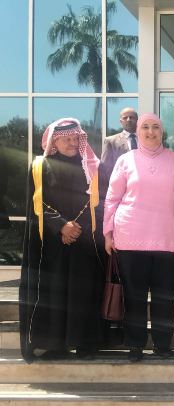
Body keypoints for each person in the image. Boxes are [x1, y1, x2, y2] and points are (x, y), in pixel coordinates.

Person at [19, 118, 103, 362]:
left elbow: (97, 203)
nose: (72, 143)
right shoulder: (40, 166)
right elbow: (36, 204)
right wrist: (62, 226)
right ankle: (54, 344)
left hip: (84, 242)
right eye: (66, 139)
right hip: (52, 244)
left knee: (83, 293)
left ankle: (85, 343)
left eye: (76, 138)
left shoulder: (91, 167)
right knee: (53, 293)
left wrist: (76, 228)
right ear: (54, 141)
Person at [103, 113, 174, 362]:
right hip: (130, 238)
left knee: (165, 297)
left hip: (169, 238)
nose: (150, 131)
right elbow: (112, 198)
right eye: (145, 127)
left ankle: (162, 343)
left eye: (155, 127)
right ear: (137, 132)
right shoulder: (126, 160)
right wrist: (108, 233)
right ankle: (135, 344)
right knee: (134, 296)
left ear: (162, 132)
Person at [100, 107, 138, 204]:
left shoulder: (145, 140)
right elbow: (106, 168)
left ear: (137, 120)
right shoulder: (111, 141)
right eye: (125, 118)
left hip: (141, 188)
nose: (128, 120)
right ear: (121, 121)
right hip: (120, 191)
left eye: (131, 117)